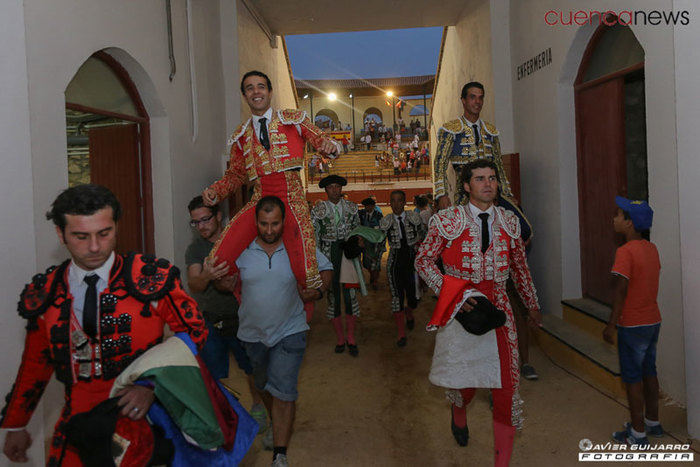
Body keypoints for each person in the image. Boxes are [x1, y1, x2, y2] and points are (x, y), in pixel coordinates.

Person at [1, 184, 207, 466]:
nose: (95, 247)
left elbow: (194, 335)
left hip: (142, 416)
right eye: (81, 236)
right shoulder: (47, 293)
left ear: (115, 227)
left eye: (104, 233)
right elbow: (36, 365)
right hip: (78, 423)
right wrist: (16, 425)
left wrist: (152, 385)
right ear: (61, 234)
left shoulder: (150, 278)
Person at [415, 160, 541, 466]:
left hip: (499, 308)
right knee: (466, 381)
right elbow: (423, 261)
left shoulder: (510, 222)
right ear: (467, 186)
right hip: (461, 308)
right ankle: (459, 411)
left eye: (492, 178)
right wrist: (452, 294)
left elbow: (520, 269)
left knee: (506, 391)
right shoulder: (448, 220)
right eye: (480, 179)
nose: (488, 184)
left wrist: (532, 304)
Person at [202, 70, 340, 320]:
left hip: (293, 200)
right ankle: (252, 302)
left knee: (307, 274)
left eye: (261, 86)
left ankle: (301, 322)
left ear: (270, 91)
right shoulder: (241, 136)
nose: (256, 92)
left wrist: (330, 147)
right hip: (260, 200)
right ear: (244, 95)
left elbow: (320, 140)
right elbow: (235, 175)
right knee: (218, 261)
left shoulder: (294, 120)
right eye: (250, 88)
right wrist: (217, 191)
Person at [433, 81, 537, 378]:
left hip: (493, 192)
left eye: (481, 98)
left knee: (524, 229)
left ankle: (510, 275)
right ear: (463, 100)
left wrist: (509, 195)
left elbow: (500, 169)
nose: (477, 102)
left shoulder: (491, 130)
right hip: (465, 194)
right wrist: (443, 198)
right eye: (472, 98)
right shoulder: (451, 128)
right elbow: (440, 165)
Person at [236, 196, 332, 466]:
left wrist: (319, 290)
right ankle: (277, 420)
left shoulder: (297, 245)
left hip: (291, 330)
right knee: (263, 385)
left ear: (283, 222)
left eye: (275, 224)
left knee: (284, 391)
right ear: (256, 222)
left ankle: (280, 454)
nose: (269, 230)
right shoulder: (241, 249)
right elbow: (224, 282)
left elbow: (326, 269)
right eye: (264, 224)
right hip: (252, 334)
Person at [185, 195, 268, 433]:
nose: (201, 226)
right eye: (195, 222)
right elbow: (195, 284)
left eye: (205, 219)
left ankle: (259, 408)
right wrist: (208, 276)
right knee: (212, 374)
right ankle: (224, 417)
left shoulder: (238, 240)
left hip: (243, 318)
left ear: (218, 216)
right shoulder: (195, 249)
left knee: (253, 369)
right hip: (210, 320)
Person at [604, 197, 662, 446]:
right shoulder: (651, 248)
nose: (614, 219)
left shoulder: (624, 252)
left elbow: (621, 290)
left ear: (629, 223)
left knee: (632, 378)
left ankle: (637, 434)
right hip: (652, 321)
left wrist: (611, 323)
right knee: (649, 371)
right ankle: (653, 422)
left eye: (618, 215)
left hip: (632, 324)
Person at [310, 176, 361, 356]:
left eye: (337, 187)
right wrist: (317, 262)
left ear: (341, 188)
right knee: (333, 297)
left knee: (350, 295)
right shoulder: (318, 210)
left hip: (347, 255)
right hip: (328, 254)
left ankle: (351, 337)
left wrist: (356, 246)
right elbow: (314, 237)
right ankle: (340, 338)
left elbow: (358, 231)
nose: (334, 190)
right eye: (330, 187)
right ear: (326, 190)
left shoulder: (352, 208)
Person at [380, 190, 426, 346]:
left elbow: (424, 236)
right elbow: (379, 242)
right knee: (396, 297)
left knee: (412, 296)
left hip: (412, 261)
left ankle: (410, 313)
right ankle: (401, 333)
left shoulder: (414, 217)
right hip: (394, 262)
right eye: (393, 201)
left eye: (399, 200)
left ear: (404, 202)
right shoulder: (386, 221)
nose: (396, 204)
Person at [358, 197, 385, 289]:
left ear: (373, 206)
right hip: (365, 242)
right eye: (366, 206)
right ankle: (373, 276)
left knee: (375, 262)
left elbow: (382, 230)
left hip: (376, 242)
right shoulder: (361, 214)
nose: (367, 208)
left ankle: (375, 281)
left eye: (369, 206)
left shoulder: (378, 215)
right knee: (366, 263)